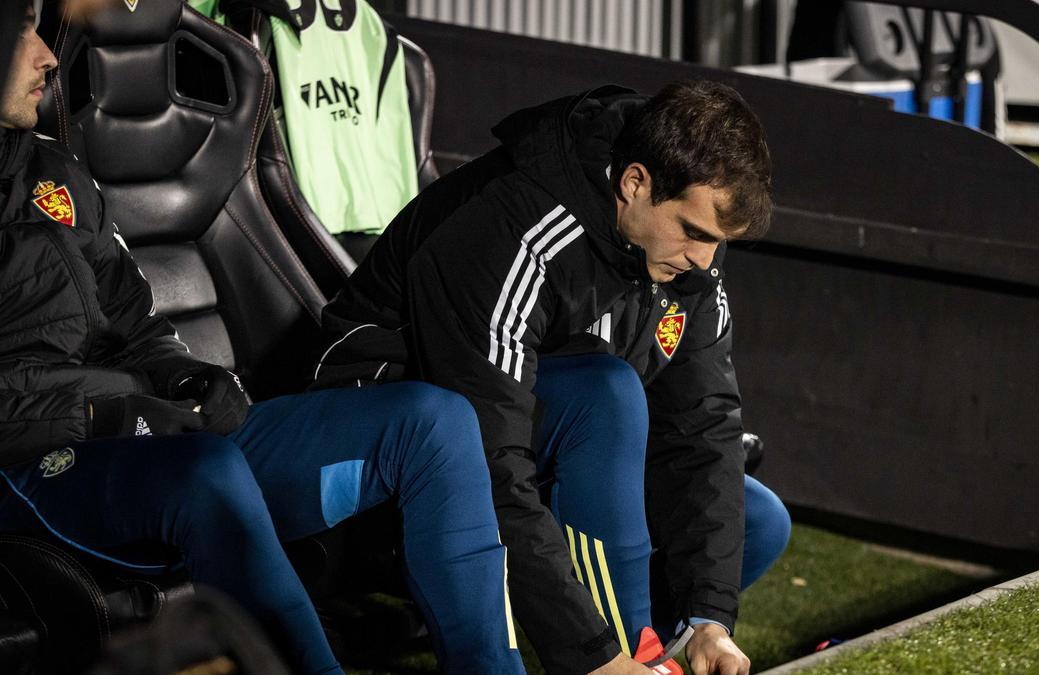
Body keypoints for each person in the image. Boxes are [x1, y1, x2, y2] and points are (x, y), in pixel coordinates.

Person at [0, 6, 523, 674]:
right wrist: (99, 414)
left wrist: (184, 374)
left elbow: (136, 322)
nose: (48, 56)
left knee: (432, 420)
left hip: (150, 433)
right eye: (22, 37)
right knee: (206, 470)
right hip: (38, 467)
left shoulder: (57, 172)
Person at [314, 81, 793, 674]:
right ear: (635, 183)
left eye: (718, 242)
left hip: (527, 439)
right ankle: (619, 649)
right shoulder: (514, 225)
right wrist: (591, 655)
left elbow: (705, 426)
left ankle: (658, 652)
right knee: (607, 394)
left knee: (758, 522)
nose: (705, 259)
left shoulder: (682, 255)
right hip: (383, 458)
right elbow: (488, 458)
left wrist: (709, 619)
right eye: (694, 232)